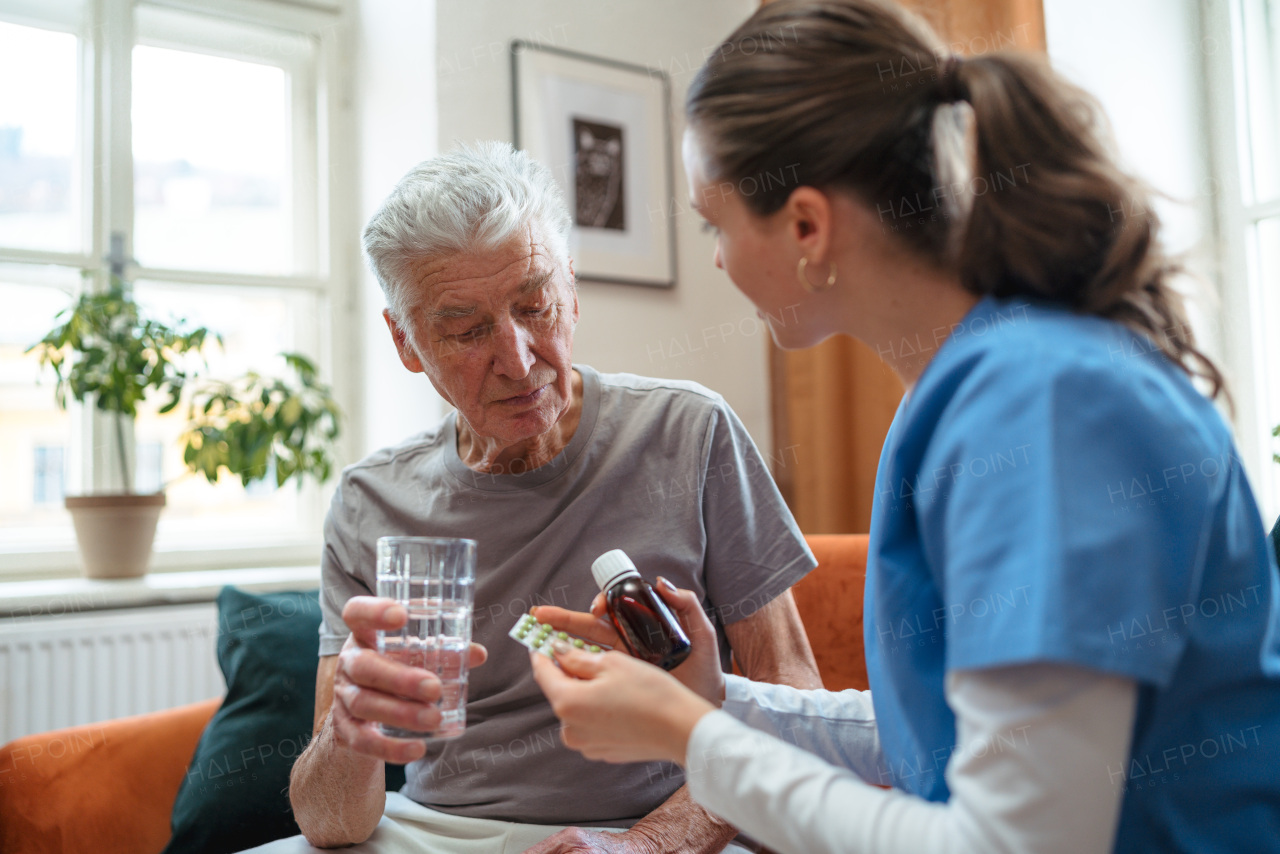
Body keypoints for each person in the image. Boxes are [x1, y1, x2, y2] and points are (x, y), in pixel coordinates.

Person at [529, 1, 1280, 852]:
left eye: (715, 221)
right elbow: (935, 739)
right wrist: (713, 698)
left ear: (808, 226)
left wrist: (692, 740)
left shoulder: (1042, 409)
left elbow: (1011, 841)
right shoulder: (971, 391)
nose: (715, 256)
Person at [249, 141, 823, 854]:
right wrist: (348, 731)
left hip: (667, 824)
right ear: (406, 341)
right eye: (466, 330)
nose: (519, 360)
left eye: (536, 305)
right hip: (433, 831)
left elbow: (790, 689)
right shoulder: (373, 500)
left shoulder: (688, 432)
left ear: (572, 292)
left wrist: (645, 846)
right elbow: (333, 824)